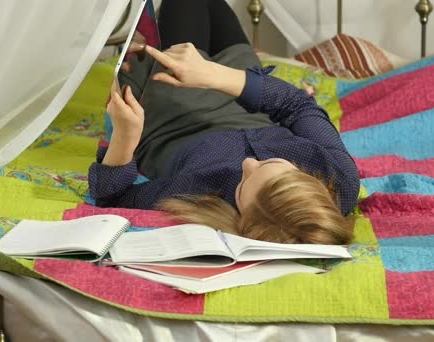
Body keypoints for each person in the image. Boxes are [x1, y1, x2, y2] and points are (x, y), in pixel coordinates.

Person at [88, 0, 360, 244]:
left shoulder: (200, 193)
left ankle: (146, 60)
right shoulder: (339, 180)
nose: (248, 163)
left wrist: (125, 136)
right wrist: (212, 75)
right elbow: (298, 105)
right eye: (270, 162)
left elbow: (112, 200)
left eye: (242, 186)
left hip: (177, 112)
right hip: (239, 89)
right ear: (310, 181)